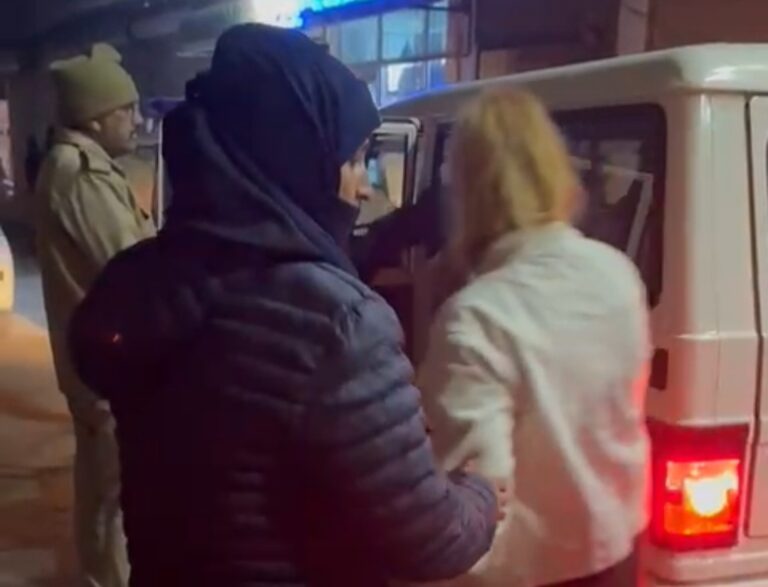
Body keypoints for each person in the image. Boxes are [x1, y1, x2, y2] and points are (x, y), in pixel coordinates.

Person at [67, 24, 499, 587]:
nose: (363, 187)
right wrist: (481, 493)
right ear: (297, 158)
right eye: (353, 160)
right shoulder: (338, 326)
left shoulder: (143, 281)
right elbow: (433, 540)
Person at [418, 90, 651, 587]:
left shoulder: (476, 317)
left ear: (467, 191)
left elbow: (473, 507)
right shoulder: (618, 274)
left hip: (525, 574)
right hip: (615, 554)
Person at [35, 43, 155, 587]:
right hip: (109, 362)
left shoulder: (79, 168)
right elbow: (129, 267)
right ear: (95, 117)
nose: (137, 120)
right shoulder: (80, 174)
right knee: (117, 496)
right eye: (126, 110)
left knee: (102, 488)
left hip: (97, 360)